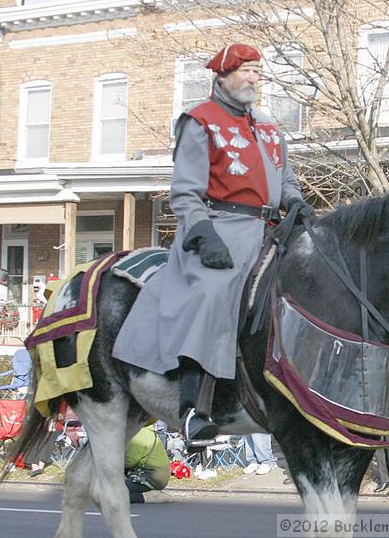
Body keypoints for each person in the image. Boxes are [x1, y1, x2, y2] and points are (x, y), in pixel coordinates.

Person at [112, 42, 311, 443]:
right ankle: (193, 409)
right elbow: (185, 191)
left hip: (272, 230)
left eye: (258, 71)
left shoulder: (269, 127)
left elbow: (285, 178)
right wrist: (204, 234)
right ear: (222, 76)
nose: (255, 78)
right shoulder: (199, 121)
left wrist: (296, 201)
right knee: (213, 293)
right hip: (220, 227)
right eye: (247, 71)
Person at [125, 424, 172, 504]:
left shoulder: (139, 434)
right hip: (154, 476)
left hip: (149, 477)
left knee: (111, 493)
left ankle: (149, 497)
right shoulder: (144, 431)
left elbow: (129, 461)